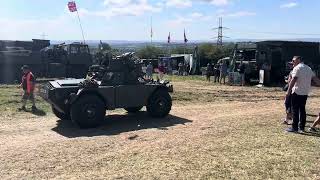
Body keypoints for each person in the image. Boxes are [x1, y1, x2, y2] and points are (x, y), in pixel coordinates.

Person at [285, 56, 320, 133]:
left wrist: (288, 91)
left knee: (295, 110)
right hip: (305, 93)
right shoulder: (308, 68)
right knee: (302, 110)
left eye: (293, 61)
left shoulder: (297, 68)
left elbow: (294, 79)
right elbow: (315, 79)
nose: (292, 63)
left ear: (298, 60)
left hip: (297, 92)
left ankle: (294, 128)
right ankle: (302, 128)